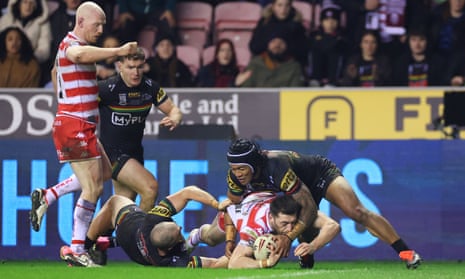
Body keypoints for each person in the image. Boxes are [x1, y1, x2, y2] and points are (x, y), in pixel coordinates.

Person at [30, 47, 182, 234]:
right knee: (150, 188)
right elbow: (72, 100)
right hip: (112, 152)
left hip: (134, 154)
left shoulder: (151, 88)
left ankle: (92, 243)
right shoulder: (106, 89)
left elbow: (174, 110)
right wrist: (57, 77)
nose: (135, 72)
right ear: (119, 66)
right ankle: (140, 239)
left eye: (139, 67)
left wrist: (175, 117)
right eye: (130, 67)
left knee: (118, 209)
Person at [224, 138, 423, 269]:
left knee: (357, 211)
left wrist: (287, 237)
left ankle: (406, 252)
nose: (238, 173)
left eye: (242, 168)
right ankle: (307, 259)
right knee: (304, 242)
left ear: (254, 164)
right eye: (234, 168)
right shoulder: (235, 176)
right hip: (297, 191)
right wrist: (230, 238)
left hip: (319, 175)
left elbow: (309, 206)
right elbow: (235, 203)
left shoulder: (277, 166)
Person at [48, 1, 138, 267]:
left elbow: (55, 71)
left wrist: (64, 102)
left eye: (103, 25)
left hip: (81, 123)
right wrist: (119, 50)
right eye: (96, 24)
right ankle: (77, 249)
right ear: (81, 22)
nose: (100, 29)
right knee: (93, 188)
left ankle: (49, 194)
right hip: (75, 124)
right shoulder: (70, 45)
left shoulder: (72, 47)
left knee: (106, 173)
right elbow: (78, 56)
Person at [83, 185, 231, 268]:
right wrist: (241, 255)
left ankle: (85, 247)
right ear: (166, 250)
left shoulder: (153, 218)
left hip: (125, 226)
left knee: (114, 201)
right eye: (179, 234)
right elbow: (214, 264)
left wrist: (216, 204)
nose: (180, 229)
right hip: (135, 248)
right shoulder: (170, 261)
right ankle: (195, 238)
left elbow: (188, 192)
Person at [187, 192, 341, 269]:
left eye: (292, 223)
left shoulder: (296, 211)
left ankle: (206, 263)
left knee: (306, 226)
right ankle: (196, 235)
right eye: (284, 223)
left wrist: (312, 246)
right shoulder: (254, 227)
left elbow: (333, 226)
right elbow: (234, 263)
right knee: (210, 239)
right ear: (272, 218)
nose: (289, 229)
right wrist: (265, 262)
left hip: (256, 199)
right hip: (235, 216)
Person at [248, 0, 308, 68]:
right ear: (273, 6)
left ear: (290, 6)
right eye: (279, 5)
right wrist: (270, 45)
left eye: (287, 5)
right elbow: (254, 46)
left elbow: (303, 50)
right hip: (265, 64)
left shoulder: (297, 24)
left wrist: (285, 47)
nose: (283, 9)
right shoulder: (264, 22)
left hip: (288, 66)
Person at [235, 32, 305, 87]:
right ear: (268, 44)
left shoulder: (294, 67)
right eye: (273, 41)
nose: (277, 45)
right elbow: (246, 90)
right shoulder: (255, 64)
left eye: (281, 42)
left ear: (287, 46)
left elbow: (295, 93)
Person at [307, 4, 348, 87]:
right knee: (316, 50)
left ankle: (332, 81)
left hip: (335, 76)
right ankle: (315, 80)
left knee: (336, 51)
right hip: (318, 72)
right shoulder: (314, 36)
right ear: (322, 22)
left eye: (333, 20)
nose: (330, 23)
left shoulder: (343, 37)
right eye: (326, 20)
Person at [113, 0, 177, 45]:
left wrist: (169, 9)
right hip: (134, 11)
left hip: (157, 9)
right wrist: (124, 10)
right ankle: (127, 58)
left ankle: (162, 60)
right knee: (126, 26)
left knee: (166, 24)